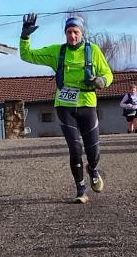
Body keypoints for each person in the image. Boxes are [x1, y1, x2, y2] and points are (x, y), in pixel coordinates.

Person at [19, 13, 113, 204]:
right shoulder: (57, 51)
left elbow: (108, 73)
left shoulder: (93, 51)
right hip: (65, 106)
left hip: (87, 103)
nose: (72, 36)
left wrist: (102, 80)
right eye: (69, 32)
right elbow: (27, 55)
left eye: (76, 32)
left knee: (93, 151)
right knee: (75, 148)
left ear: (82, 33)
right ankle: (80, 188)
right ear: (65, 33)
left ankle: (93, 169)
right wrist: (25, 37)